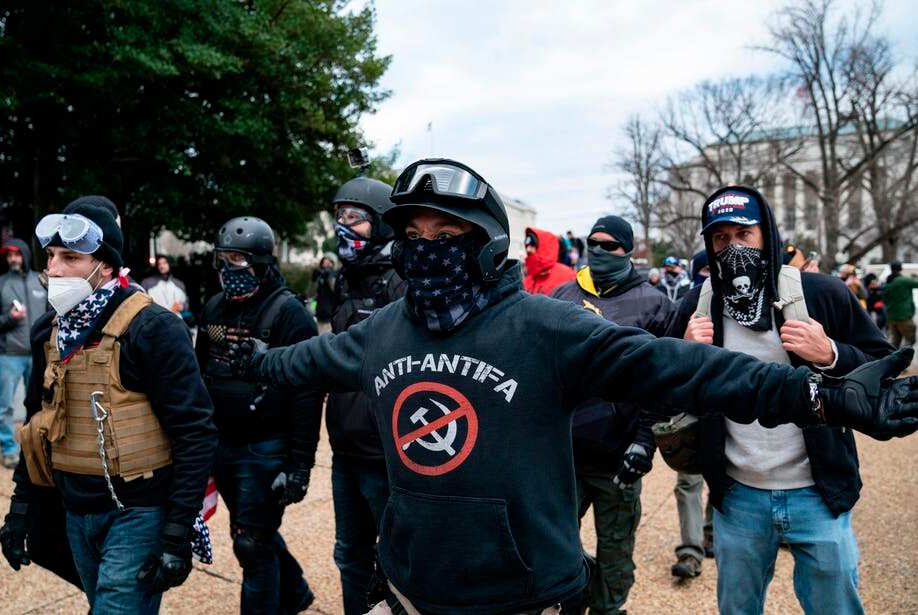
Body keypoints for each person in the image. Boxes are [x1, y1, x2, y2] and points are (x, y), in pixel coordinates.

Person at [227, 159, 918, 615]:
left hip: (526, 594)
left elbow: (683, 366)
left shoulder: (546, 327)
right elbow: (308, 362)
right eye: (413, 231)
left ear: (485, 241)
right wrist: (257, 360)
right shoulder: (383, 330)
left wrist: (820, 396)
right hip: (411, 589)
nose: (427, 243)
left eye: (447, 230)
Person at [665, 186, 899, 615]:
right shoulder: (698, 307)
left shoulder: (821, 293)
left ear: (767, 235)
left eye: (744, 234)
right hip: (738, 496)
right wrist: (682, 353)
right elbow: (659, 387)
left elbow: (885, 364)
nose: (733, 247)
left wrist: (830, 353)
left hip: (818, 493)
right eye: (721, 238)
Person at [0, 197, 217, 614]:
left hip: (138, 514)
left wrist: (175, 534)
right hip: (75, 512)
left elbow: (195, 432)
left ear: (106, 266)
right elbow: (36, 428)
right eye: (51, 256)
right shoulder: (49, 332)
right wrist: (20, 509)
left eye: (71, 258)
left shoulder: (153, 328)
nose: (54, 269)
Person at [196, 216, 320, 614]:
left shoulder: (290, 314)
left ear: (262, 263)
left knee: (251, 543)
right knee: (252, 532)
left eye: (238, 260)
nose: (228, 268)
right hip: (222, 444)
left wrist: (300, 465)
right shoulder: (214, 307)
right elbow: (200, 373)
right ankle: (295, 591)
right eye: (223, 259)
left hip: (265, 448)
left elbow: (307, 394)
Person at [551, 215, 669, 615]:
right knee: (555, 544)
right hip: (564, 454)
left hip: (618, 456)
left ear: (627, 250)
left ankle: (608, 608)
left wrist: (645, 441)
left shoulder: (655, 303)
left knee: (616, 553)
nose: (600, 251)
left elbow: (661, 382)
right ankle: (573, 599)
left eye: (610, 245)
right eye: (594, 243)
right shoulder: (563, 296)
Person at [328, 176, 407, 613]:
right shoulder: (344, 280)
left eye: (354, 218)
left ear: (380, 223)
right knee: (349, 555)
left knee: (397, 560)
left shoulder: (401, 281)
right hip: (345, 450)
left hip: (386, 454)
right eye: (339, 217)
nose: (344, 226)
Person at [669, 247, 716, 580]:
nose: (710, 279)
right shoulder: (688, 305)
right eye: (704, 272)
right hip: (692, 405)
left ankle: (711, 532)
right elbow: (666, 357)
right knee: (688, 480)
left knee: (724, 473)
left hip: (727, 405)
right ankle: (690, 550)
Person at [0, 239, 47, 469]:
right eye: (9, 255)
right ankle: (9, 449)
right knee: (5, 405)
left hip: (38, 354)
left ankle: (36, 447)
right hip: (9, 355)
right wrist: (9, 318)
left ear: (25, 255)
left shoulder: (41, 281)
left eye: (17, 254)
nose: (13, 259)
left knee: (40, 403)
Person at [524, 227, 576, 295]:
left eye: (533, 244)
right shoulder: (529, 278)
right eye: (526, 245)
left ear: (545, 246)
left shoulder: (568, 276)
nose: (528, 249)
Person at [882, 261, 918, 349]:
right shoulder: (903, 280)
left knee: (895, 341)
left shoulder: (888, 282)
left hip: (891, 316)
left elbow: (884, 299)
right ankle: (904, 356)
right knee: (910, 340)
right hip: (903, 316)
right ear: (900, 268)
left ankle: (893, 356)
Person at [312, 255, 340, 334]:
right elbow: (312, 293)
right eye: (324, 261)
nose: (326, 263)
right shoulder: (320, 273)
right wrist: (315, 278)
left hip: (331, 311)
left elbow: (335, 290)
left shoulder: (336, 273)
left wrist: (329, 277)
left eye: (329, 261)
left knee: (327, 334)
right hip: (319, 310)